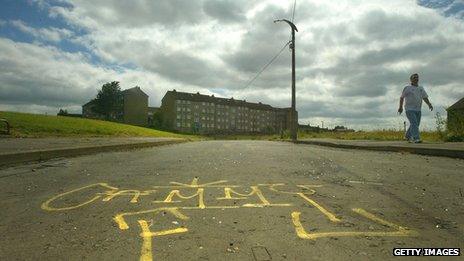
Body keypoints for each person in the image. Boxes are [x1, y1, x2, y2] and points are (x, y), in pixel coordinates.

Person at [398, 73, 433, 143]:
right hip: (409, 109)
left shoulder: (421, 88)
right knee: (414, 123)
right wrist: (400, 107)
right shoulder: (407, 88)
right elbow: (402, 97)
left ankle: (407, 136)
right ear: (411, 79)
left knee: (416, 124)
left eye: (417, 78)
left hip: (418, 109)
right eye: (414, 78)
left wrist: (429, 104)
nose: (416, 79)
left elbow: (425, 97)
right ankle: (416, 138)